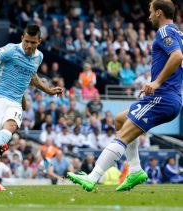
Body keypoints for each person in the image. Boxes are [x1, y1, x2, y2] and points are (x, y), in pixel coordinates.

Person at [67, 0, 183, 192]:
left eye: (151, 12)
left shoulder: (165, 31)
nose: (149, 16)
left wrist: (157, 82)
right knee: (120, 120)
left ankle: (92, 177)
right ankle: (135, 170)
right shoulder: (178, 33)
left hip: (162, 97)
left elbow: (177, 56)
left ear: (159, 13)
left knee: (122, 135)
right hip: (168, 96)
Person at [0, 24, 64, 172]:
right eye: (26, 41)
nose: (29, 45)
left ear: (39, 42)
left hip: (15, 101)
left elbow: (32, 77)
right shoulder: (11, 49)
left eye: (33, 42)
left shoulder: (39, 57)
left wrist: (49, 90)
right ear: (22, 38)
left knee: (11, 127)